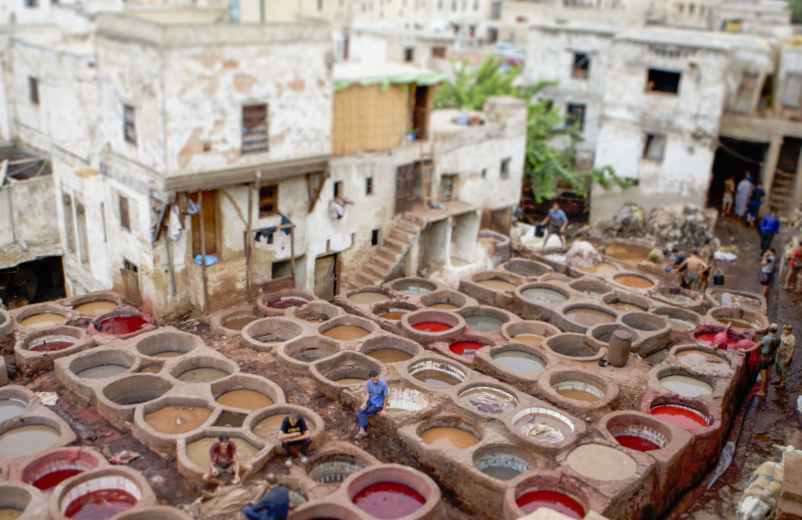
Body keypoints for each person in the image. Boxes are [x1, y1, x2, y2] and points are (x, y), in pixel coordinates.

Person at [355, 370, 388, 439]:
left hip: (378, 404)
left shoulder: (383, 385)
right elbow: (368, 394)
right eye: (373, 379)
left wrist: (384, 409)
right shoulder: (369, 383)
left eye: (376, 379)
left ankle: (363, 430)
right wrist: (364, 403)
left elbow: (386, 397)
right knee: (361, 410)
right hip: (371, 400)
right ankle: (362, 430)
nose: (374, 381)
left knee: (364, 412)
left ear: (378, 376)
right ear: (370, 378)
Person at [758, 324, 780, 397]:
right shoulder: (777, 339)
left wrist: (746, 349)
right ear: (776, 331)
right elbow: (777, 349)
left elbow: (759, 346)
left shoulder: (766, 338)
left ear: (769, 329)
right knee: (768, 373)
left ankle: (761, 391)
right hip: (772, 357)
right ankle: (766, 387)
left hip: (764, 358)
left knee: (763, 375)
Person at [774, 325, 796, 389]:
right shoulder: (782, 335)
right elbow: (779, 343)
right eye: (785, 329)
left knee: (784, 370)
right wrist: (777, 349)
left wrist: (789, 359)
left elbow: (793, 349)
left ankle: (782, 384)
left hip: (786, 356)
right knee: (778, 368)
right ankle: (779, 379)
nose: (786, 331)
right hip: (779, 355)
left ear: (790, 331)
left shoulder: (792, 338)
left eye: (788, 330)